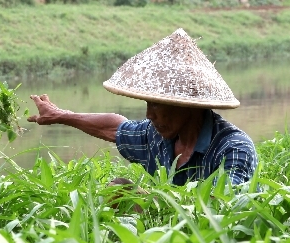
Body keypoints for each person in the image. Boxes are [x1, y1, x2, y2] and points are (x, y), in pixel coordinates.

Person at [28, 29, 257, 186]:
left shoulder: (233, 148)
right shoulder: (157, 136)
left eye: (156, 104)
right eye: (148, 104)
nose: (149, 114)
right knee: (118, 188)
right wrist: (61, 115)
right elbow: (115, 128)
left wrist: (151, 201)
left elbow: (224, 210)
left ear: (187, 105)